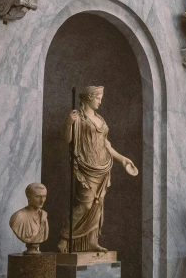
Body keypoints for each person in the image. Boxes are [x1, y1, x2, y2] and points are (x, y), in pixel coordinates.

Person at [57, 86, 137, 253]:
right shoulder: (78, 117)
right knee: (86, 204)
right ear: (89, 98)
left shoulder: (101, 119)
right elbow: (68, 140)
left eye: (101, 98)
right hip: (86, 166)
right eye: (98, 97)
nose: (100, 101)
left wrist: (122, 159)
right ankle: (65, 237)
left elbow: (106, 145)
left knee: (98, 205)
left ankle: (92, 241)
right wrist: (69, 123)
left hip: (103, 166)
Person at [9, 183, 49, 254]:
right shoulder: (18, 217)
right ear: (28, 196)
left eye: (44, 196)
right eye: (38, 196)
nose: (42, 200)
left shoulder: (44, 216)